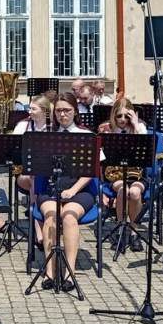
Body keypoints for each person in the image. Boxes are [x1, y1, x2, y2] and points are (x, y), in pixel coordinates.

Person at [35, 92, 96, 291]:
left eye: (67, 110)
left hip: (79, 190)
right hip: (51, 188)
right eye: (59, 111)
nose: (62, 115)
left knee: (69, 217)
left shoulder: (86, 135)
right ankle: (50, 271)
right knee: (51, 216)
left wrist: (72, 190)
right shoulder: (48, 136)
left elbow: (92, 171)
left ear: (75, 112)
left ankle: (70, 272)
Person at [100, 98, 149, 249]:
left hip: (136, 174)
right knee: (123, 190)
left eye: (126, 116)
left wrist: (135, 124)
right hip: (116, 174)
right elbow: (100, 157)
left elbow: (147, 147)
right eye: (118, 116)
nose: (122, 120)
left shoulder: (139, 127)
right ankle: (120, 229)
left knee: (134, 192)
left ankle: (134, 231)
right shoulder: (108, 129)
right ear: (113, 116)